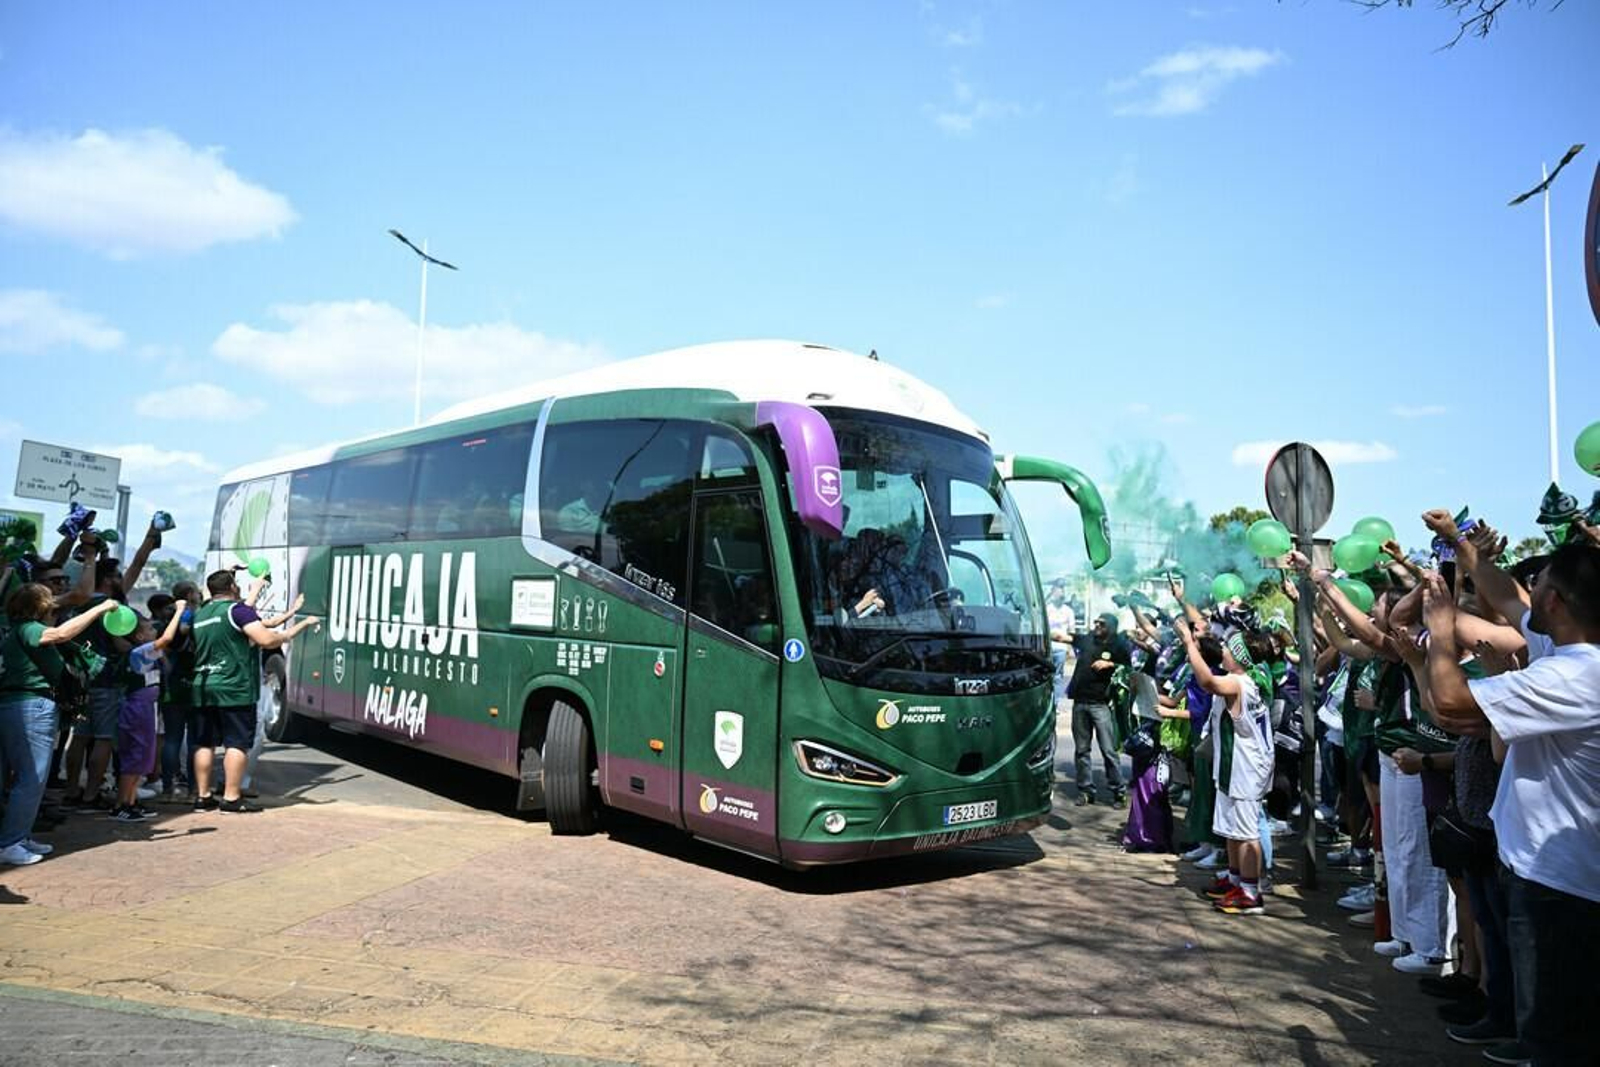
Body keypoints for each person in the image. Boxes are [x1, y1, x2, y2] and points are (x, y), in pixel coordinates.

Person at [1421, 536, 1600, 1066]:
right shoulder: (1568, 651)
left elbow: (1449, 703)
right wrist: (1462, 546)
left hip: (1558, 887)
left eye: (1537, 582)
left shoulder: (1575, 674)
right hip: (1547, 874)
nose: (1527, 590)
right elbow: (1505, 597)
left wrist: (1439, 631)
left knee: (1556, 1038)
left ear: (1555, 602)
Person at [0, 584, 117, 865]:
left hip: (18, 705)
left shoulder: (16, 629)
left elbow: (67, 603)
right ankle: (11, 842)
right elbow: (61, 633)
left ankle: (18, 836)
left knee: (23, 777)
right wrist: (100, 609)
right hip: (31, 706)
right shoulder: (30, 628)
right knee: (31, 778)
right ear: (39, 607)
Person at [189, 569, 319, 812]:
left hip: (203, 686)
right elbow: (266, 640)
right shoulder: (238, 611)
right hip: (234, 687)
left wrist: (261, 594)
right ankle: (231, 798)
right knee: (236, 744)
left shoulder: (201, 613)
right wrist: (285, 636)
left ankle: (203, 796)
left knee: (205, 744)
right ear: (232, 587)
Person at [1182, 626, 1274, 916]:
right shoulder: (1241, 678)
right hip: (1234, 765)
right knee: (1233, 829)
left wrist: (1189, 644)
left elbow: (1207, 682)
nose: (1223, 651)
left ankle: (1250, 892)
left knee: (1246, 833)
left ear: (1240, 657)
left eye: (1229, 649)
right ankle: (1235, 880)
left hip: (1247, 767)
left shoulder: (1240, 682)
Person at [109, 604, 187, 822]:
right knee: (134, 757)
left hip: (146, 707)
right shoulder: (139, 652)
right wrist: (179, 612)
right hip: (137, 708)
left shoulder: (147, 652)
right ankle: (122, 805)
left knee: (142, 757)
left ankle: (131, 800)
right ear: (140, 636)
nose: (156, 631)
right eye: (150, 629)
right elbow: (167, 638)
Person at [1067, 613, 1130, 806]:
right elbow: (1064, 637)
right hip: (1080, 702)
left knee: (1108, 750)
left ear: (1111, 626)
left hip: (1100, 704)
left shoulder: (1119, 645)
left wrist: (1110, 664)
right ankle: (1086, 791)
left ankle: (1119, 792)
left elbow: (1129, 670)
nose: (1097, 625)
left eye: (1101, 623)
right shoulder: (1088, 639)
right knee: (1081, 750)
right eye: (1096, 622)